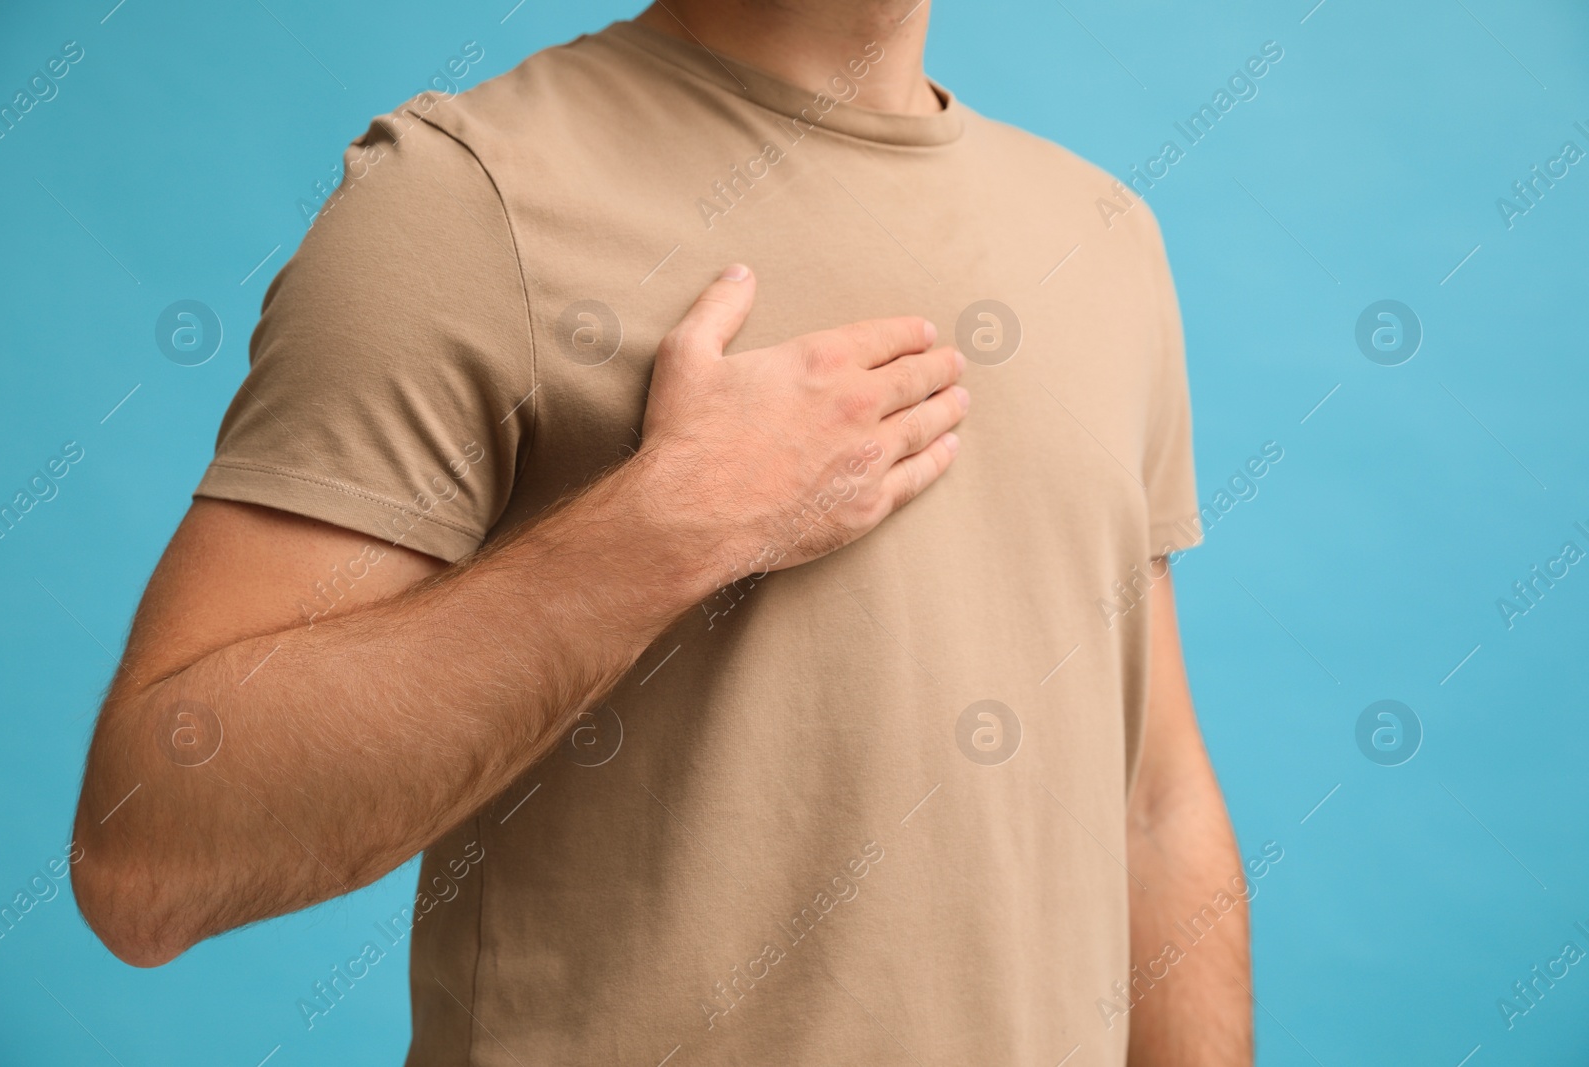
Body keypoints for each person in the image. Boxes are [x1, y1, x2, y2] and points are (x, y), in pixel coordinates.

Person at [72, 1, 1251, 1063]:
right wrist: (668, 524)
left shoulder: (1102, 234)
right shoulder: (461, 196)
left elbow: (1150, 803)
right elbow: (147, 851)